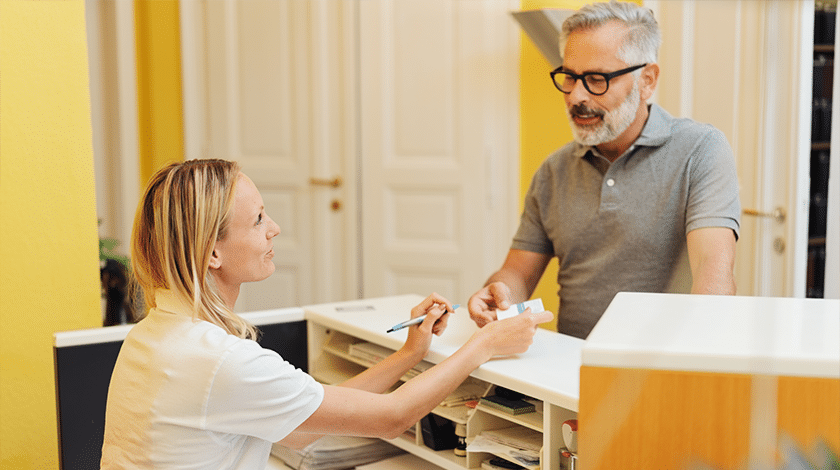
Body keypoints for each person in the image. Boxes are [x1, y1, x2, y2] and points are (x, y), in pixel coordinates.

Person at [100, 159, 551, 469]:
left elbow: (299, 429)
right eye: (258, 219)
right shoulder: (221, 362)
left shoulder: (153, 336)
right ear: (212, 252)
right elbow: (392, 417)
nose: (274, 228)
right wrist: (483, 345)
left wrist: (411, 353)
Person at [468, 1, 741, 339]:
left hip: (661, 369)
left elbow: (712, 268)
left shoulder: (700, 151)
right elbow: (518, 275)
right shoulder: (554, 171)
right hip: (571, 367)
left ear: (647, 80)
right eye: (569, 77)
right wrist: (498, 295)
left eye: (596, 79)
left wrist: (696, 360)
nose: (575, 96)